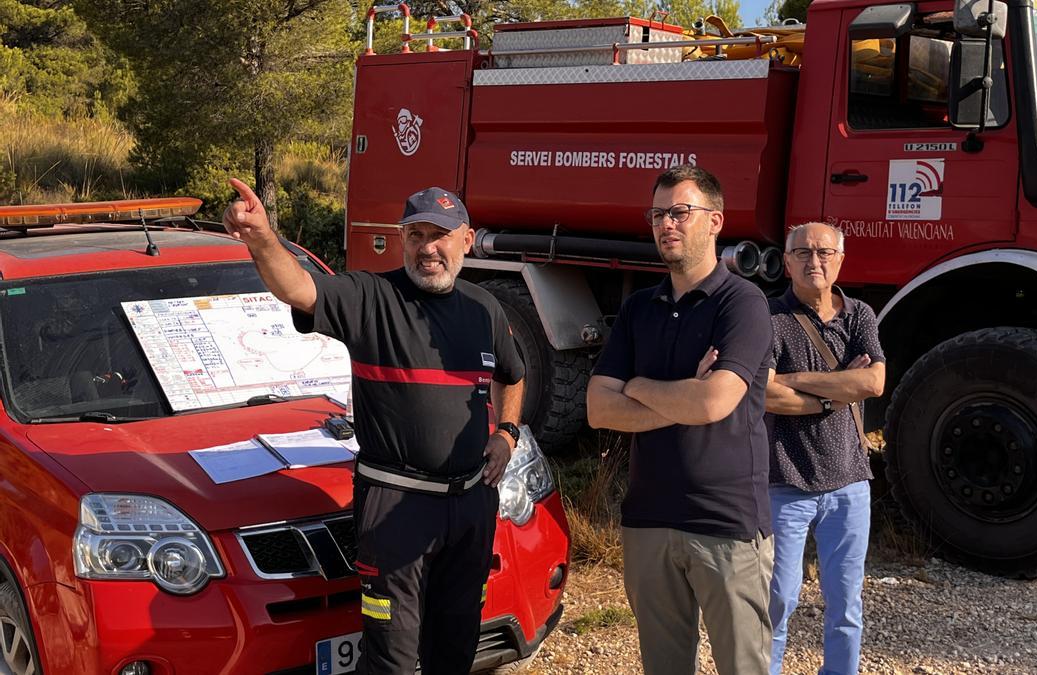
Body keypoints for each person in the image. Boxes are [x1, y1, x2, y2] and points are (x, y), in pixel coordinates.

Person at [223, 178, 525, 675]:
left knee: (457, 643)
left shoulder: (483, 308)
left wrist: (507, 432)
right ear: (401, 239)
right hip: (395, 509)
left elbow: (514, 374)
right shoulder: (371, 296)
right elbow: (298, 288)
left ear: (466, 241)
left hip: (471, 503)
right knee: (391, 655)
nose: (428, 248)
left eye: (441, 236)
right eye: (416, 235)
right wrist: (260, 237)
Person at [586, 165, 774, 675]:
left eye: (680, 212)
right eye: (658, 214)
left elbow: (713, 404)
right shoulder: (638, 308)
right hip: (648, 519)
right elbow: (598, 409)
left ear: (715, 221)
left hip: (726, 523)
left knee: (744, 667)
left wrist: (638, 386)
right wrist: (681, 393)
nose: (667, 224)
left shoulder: (743, 303)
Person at [764, 222, 886, 675]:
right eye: (803, 252)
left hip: (851, 482)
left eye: (824, 253)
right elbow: (762, 392)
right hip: (785, 481)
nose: (814, 261)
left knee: (846, 604)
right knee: (778, 600)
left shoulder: (859, 315)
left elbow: (873, 382)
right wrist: (839, 391)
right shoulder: (769, 318)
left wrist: (793, 382)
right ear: (787, 260)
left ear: (840, 260)